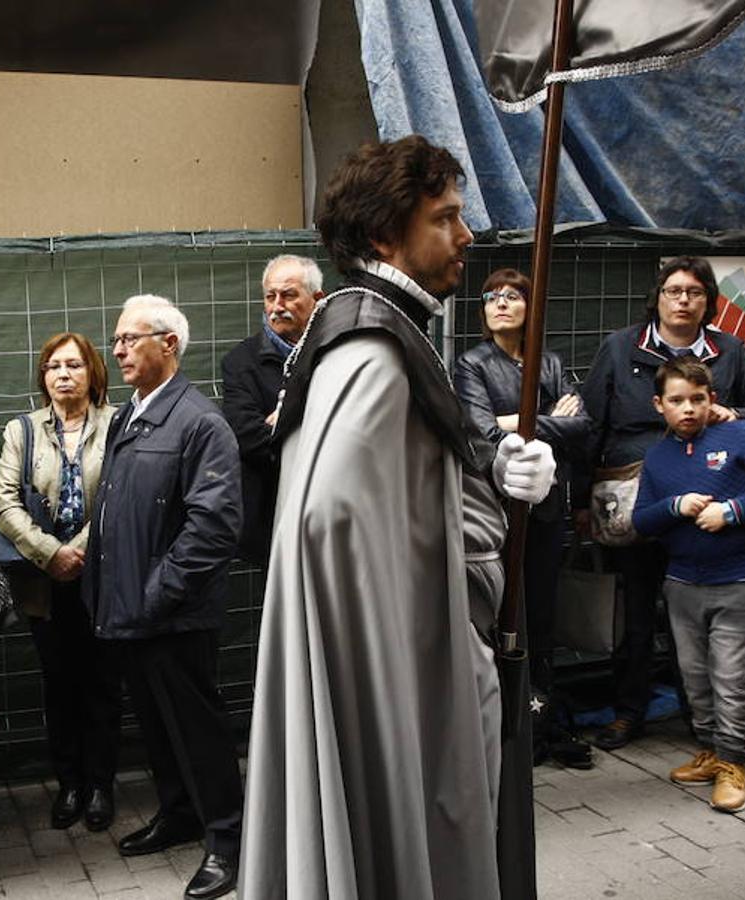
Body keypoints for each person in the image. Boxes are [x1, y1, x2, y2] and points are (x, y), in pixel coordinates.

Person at [239, 136, 557, 899]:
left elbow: (412, 483)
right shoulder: (371, 346)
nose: (466, 235)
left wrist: (497, 476)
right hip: (407, 677)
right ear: (386, 235)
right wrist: (421, 635)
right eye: (445, 217)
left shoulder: (391, 327)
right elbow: (330, 520)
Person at [577, 255, 745, 751]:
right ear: (659, 298)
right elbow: (590, 427)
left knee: (697, 613)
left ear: (708, 301)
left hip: (708, 508)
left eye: (694, 291)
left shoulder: (730, 352)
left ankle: (703, 718)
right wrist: (580, 500)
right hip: (637, 499)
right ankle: (629, 712)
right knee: (636, 612)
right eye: (674, 291)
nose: (683, 300)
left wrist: (733, 415)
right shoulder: (620, 347)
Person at [83, 295, 244, 900]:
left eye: (130, 339)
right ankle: (179, 814)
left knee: (196, 728)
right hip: (130, 609)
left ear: (168, 344)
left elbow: (213, 528)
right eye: (117, 339)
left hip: (171, 615)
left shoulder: (200, 422)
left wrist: (156, 595)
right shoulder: (132, 415)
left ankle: (226, 840)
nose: (117, 349)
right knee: (157, 727)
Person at [633, 357, 745, 813]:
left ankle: (734, 763)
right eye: (677, 401)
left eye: (697, 399)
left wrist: (731, 512)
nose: (688, 409)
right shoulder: (657, 456)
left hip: (744, 580)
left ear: (713, 400)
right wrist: (676, 506)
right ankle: (711, 751)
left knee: (734, 680)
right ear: (659, 404)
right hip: (683, 583)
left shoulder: (738, 435)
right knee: (696, 681)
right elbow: (641, 521)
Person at [453, 268, 593, 769]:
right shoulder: (471, 363)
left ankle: (544, 721)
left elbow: (583, 426)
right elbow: (479, 431)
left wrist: (518, 419)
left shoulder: (548, 362)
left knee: (543, 614)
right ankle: (506, 728)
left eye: (513, 296)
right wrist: (539, 414)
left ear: (530, 308)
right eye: (492, 296)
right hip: (497, 510)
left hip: (548, 507)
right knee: (501, 616)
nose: (501, 303)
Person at [0, 332, 121, 833]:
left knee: (104, 685)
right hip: (44, 582)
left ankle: (101, 787)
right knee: (60, 685)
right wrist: (51, 554)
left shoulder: (119, 424)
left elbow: (120, 492)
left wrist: (79, 551)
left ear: (93, 372)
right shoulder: (22, 431)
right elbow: (4, 502)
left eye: (73, 365)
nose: (62, 374)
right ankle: (69, 784)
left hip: (103, 576)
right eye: (52, 366)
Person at [220, 254, 323, 565]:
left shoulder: (335, 351)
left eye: (289, 295)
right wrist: (310, 418)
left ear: (317, 299)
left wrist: (283, 418)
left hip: (330, 513)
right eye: (270, 296)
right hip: (272, 520)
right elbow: (248, 440)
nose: (277, 306)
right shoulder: (240, 363)